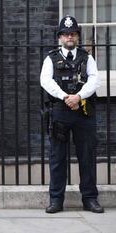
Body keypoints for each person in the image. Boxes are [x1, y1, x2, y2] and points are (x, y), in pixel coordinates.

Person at [40, 15, 103, 213]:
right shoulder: (51, 58)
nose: (69, 37)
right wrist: (66, 96)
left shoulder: (87, 57)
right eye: (66, 34)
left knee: (87, 156)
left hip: (83, 113)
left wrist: (79, 96)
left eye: (73, 34)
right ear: (60, 37)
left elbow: (95, 81)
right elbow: (45, 81)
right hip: (60, 111)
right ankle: (56, 200)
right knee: (57, 157)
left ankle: (90, 199)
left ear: (77, 36)